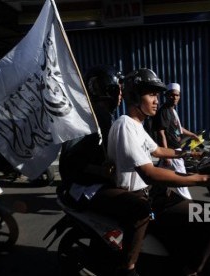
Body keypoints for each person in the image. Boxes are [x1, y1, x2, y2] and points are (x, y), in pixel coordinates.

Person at [107, 68, 210, 276]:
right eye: (151, 95)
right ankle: (191, 271)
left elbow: (157, 150)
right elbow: (150, 173)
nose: (156, 100)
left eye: (157, 95)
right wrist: (205, 179)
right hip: (140, 198)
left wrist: (189, 154)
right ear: (133, 96)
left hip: (153, 194)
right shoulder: (125, 125)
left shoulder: (137, 126)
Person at [58, 65, 149, 276]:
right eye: (117, 89)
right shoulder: (92, 117)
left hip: (98, 183)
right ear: (105, 89)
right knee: (140, 209)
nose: (120, 94)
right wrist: (100, 170)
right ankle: (128, 269)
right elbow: (72, 163)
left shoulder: (106, 117)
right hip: (84, 187)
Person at [154, 82, 200, 199]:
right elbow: (161, 133)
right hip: (172, 151)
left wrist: (192, 135)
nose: (175, 97)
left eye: (177, 95)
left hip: (174, 150)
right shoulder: (164, 111)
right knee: (182, 179)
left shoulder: (172, 111)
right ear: (166, 96)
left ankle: (152, 197)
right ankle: (188, 203)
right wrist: (166, 155)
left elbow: (179, 128)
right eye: (172, 95)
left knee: (157, 178)